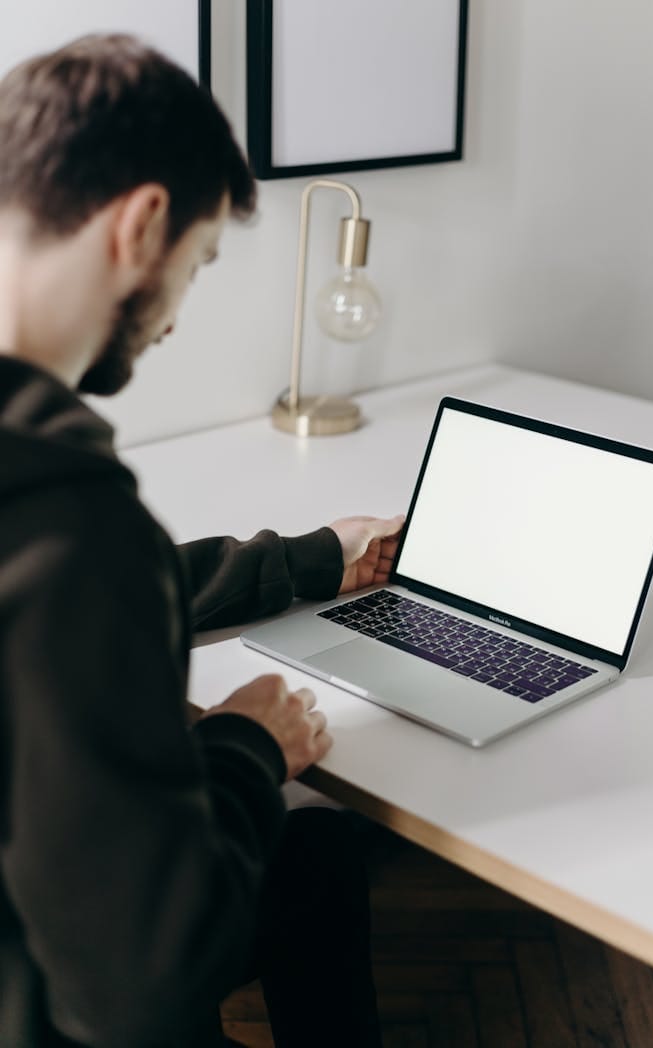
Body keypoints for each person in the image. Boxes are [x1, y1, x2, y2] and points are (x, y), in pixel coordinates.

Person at [0, 34, 403, 1048]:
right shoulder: (73, 520)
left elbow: (65, 615)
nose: (178, 311)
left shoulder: (44, 517)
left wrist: (308, 558)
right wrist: (245, 745)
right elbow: (143, 983)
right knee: (311, 848)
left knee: (309, 865)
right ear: (142, 225)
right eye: (199, 260)